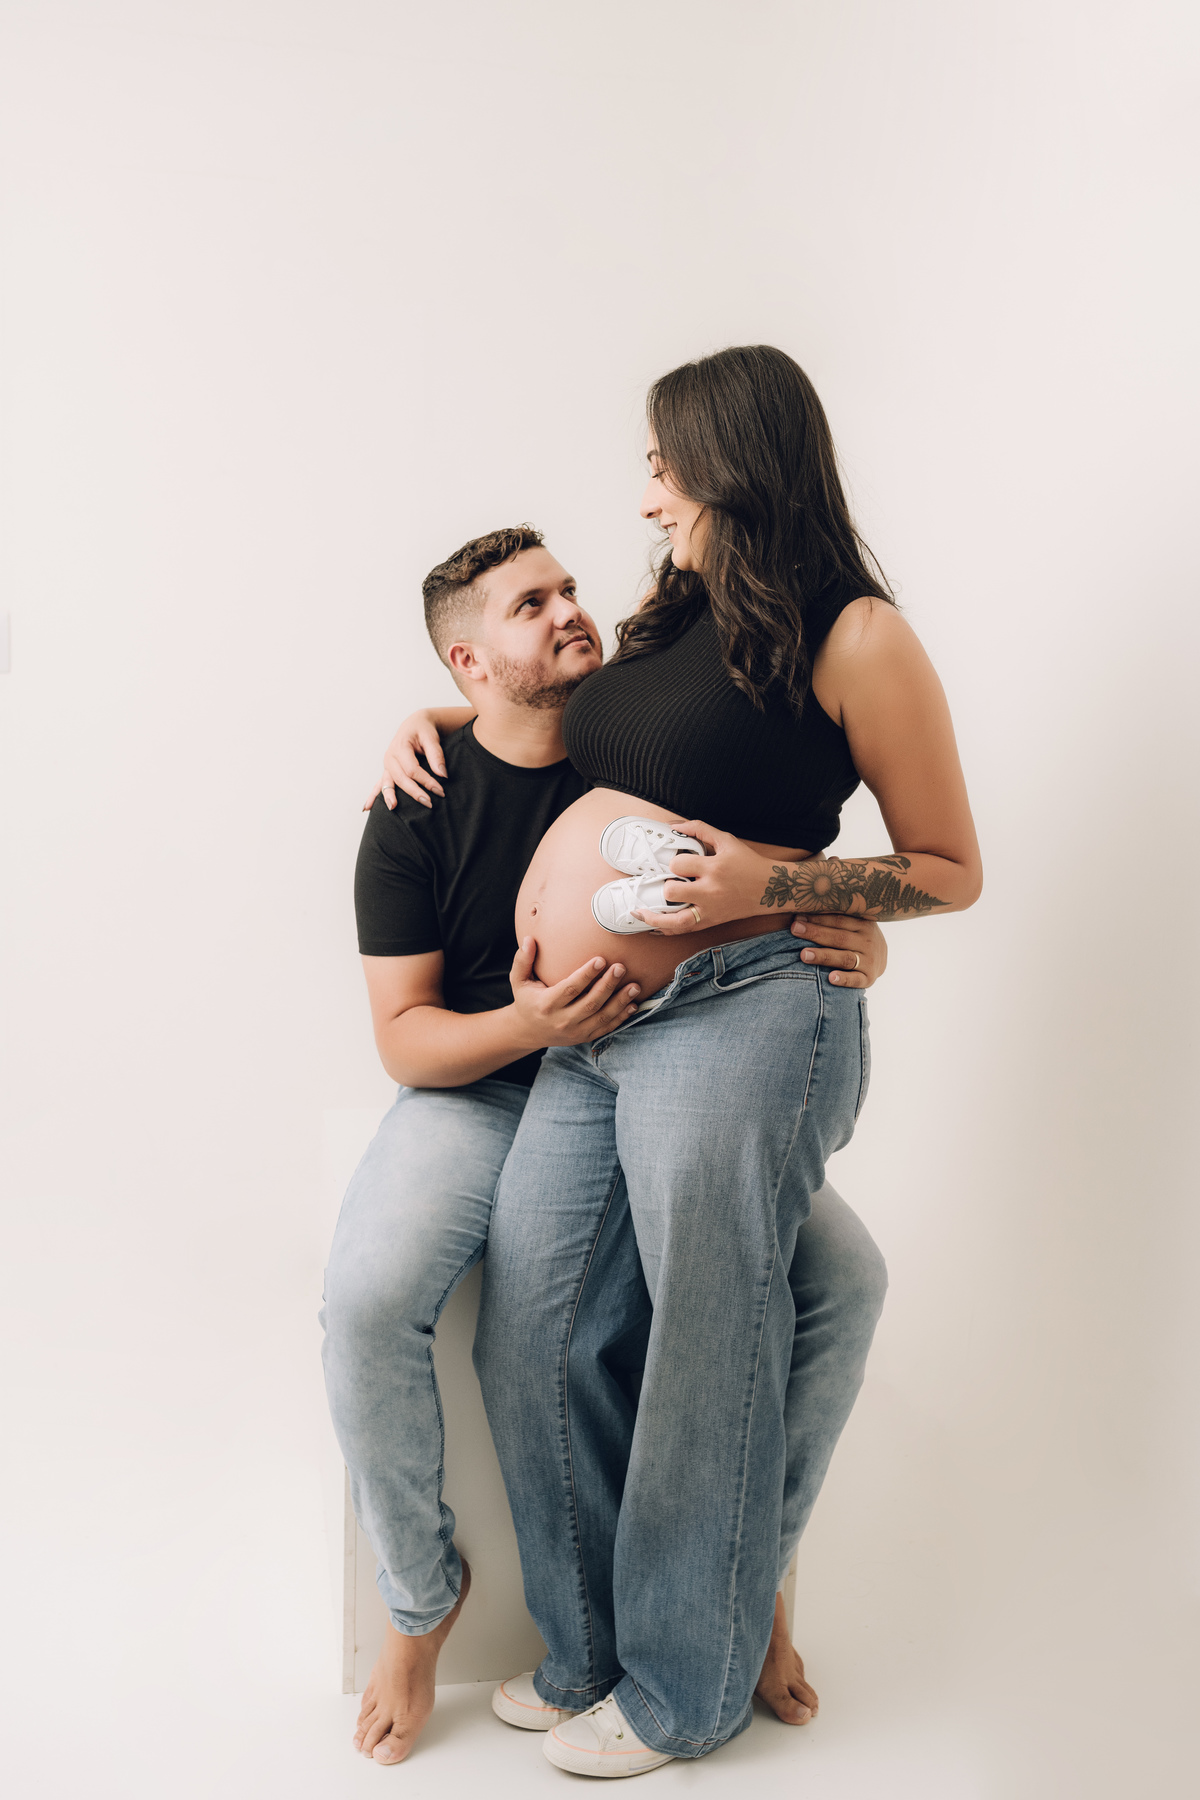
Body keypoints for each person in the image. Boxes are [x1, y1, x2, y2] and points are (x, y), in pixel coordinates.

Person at [398, 346, 981, 1777]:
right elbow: (571, 733)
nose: (648, 491)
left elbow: (947, 868)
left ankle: (682, 1693)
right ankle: (588, 1654)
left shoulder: (859, 637)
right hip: (594, 1029)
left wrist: (784, 889)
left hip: (746, 1010)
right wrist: (440, 714)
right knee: (537, 1328)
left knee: (706, 1340)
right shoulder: (671, 610)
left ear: (729, 460)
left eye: (663, 463)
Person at [323, 523, 891, 1766]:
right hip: (483, 1092)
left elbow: (764, 847)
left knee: (845, 1283)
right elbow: (405, 1040)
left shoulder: (633, 738)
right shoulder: (416, 803)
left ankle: (741, 1596)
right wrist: (528, 1023)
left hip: (656, 1073)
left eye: (569, 588)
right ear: (471, 664)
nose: (572, 610)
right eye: (532, 606)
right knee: (367, 1299)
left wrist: (851, 918)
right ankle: (421, 1605)